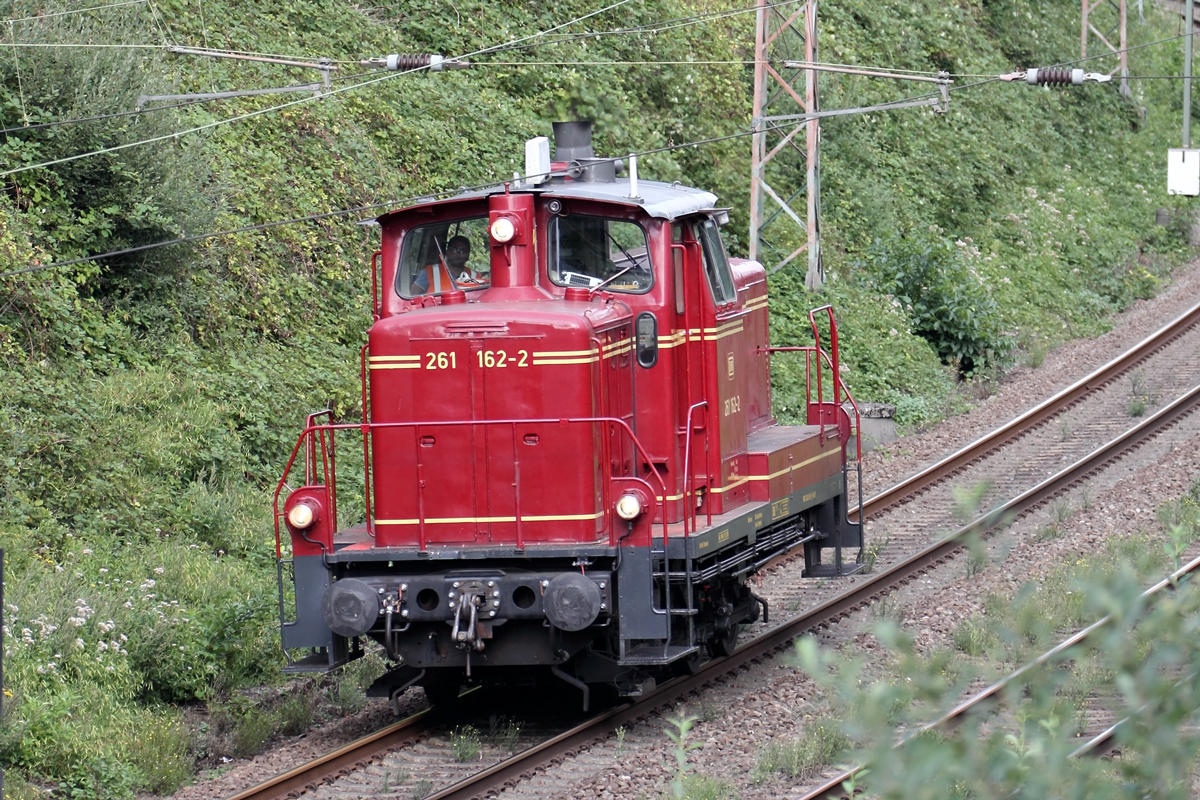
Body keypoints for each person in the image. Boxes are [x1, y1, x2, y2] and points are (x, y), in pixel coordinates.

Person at [410, 235, 484, 294]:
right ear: (447, 252)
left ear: (468, 256)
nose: (458, 253)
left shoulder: (475, 276)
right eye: (454, 249)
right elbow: (411, 295)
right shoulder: (430, 272)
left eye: (463, 251)